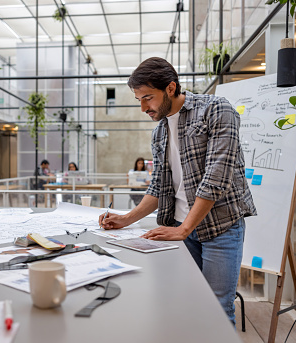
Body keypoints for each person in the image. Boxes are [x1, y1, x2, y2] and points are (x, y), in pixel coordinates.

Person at [99, 57, 257, 325]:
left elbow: (216, 178)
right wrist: (126, 219)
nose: (142, 107)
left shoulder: (216, 110)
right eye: (139, 99)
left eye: (147, 98)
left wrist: (183, 230)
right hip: (181, 228)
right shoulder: (160, 131)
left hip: (220, 228)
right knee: (186, 302)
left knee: (217, 310)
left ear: (170, 88)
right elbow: (159, 187)